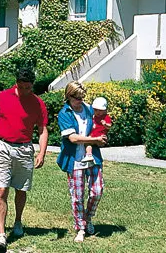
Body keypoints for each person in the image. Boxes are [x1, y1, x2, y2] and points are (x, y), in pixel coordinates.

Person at [0, 67, 48, 250]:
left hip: (24, 149)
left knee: (21, 190)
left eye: (29, 88)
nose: (25, 91)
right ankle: (1, 234)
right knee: (1, 190)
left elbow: (42, 130)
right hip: (2, 146)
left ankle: (18, 222)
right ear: (17, 83)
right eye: (22, 87)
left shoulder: (38, 103)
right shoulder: (2, 97)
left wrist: (42, 153)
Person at [56, 81, 107, 243]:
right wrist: (94, 139)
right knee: (77, 196)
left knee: (97, 191)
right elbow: (72, 138)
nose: (80, 100)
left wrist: (103, 134)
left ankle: (88, 218)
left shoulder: (89, 109)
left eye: (82, 97)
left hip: (93, 158)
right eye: (77, 98)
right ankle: (81, 227)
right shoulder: (65, 113)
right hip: (75, 160)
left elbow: (100, 124)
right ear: (69, 96)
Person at [81, 97, 112, 163]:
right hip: (93, 134)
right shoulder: (93, 116)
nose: (98, 112)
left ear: (105, 110)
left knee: (87, 142)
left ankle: (89, 155)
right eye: (96, 110)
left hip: (100, 135)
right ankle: (89, 155)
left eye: (100, 110)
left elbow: (109, 126)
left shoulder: (106, 117)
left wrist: (105, 124)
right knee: (88, 142)